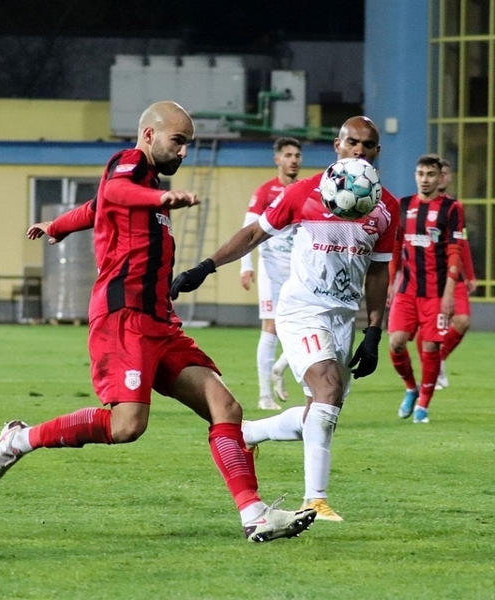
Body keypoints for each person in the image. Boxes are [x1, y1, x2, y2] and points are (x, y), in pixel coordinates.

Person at [0, 101, 316, 543]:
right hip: (125, 317)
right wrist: (161, 197)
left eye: (189, 145)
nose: (184, 152)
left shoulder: (143, 183)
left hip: (160, 321)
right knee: (127, 426)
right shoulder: (129, 163)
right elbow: (115, 195)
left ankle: (254, 515)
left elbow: (98, 205)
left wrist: (58, 226)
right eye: (179, 141)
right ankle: (20, 439)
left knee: (226, 407)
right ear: (151, 135)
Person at [171, 116, 399, 522]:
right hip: (300, 310)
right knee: (326, 389)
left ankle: (249, 434)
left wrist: (374, 331)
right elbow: (255, 234)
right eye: (352, 142)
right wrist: (205, 267)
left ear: (377, 151)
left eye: (367, 145)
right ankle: (315, 500)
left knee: (322, 415)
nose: (359, 151)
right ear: (337, 145)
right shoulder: (303, 193)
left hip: (343, 318)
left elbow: (379, 271)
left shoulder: (386, 208)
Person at [388, 154, 466, 423]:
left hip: (435, 293)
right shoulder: (404, 205)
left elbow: (455, 251)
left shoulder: (452, 208)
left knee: (431, 347)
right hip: (407, 290)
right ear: (415, 176)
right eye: (421, 174)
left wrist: (448, 293)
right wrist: (390, 282)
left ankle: (423, 404)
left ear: (439, 178)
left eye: (430, 174)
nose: (425, 179)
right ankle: (411, 387)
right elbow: (396, 247)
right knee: (396, 343)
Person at [239, 137, 302, 410]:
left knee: (303, 326)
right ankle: (265, 394)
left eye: (297, 155)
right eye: (288, 155)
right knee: (271, 327)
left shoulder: (305, 191)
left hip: (299, 271)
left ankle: (279, 367)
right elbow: (248, 229)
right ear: (277, 159)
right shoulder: (266, 192)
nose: (294, 160)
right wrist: (246, 266)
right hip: (271, 268)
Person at [434, 158, 476, 389]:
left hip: (454, 277)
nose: (443, 177)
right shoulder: (416, 207)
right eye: (438, 173)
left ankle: (437, 359)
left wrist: (469, 274)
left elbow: (462, 243)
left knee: (462, 320)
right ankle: (432, 365)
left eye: (446, 173)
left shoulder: (454, 208)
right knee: (432, 329)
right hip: (429, 277)